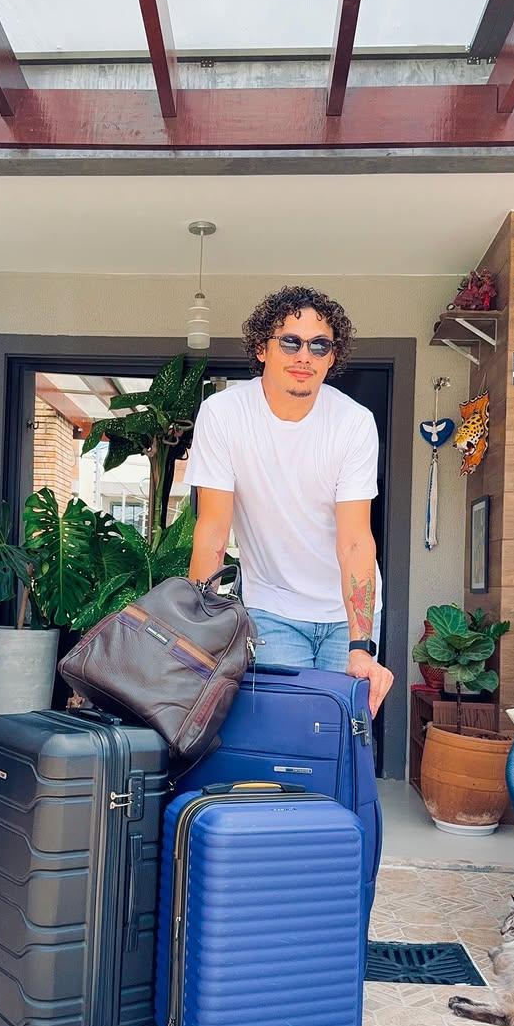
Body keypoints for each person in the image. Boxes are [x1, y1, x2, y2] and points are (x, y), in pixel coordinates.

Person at [186, 284, 394, 718]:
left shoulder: (354, 423)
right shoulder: (224, 414)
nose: (305, 356)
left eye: (320, 345)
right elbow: (213, 530)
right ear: (262, 348)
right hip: (272, 605)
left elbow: (355, 540)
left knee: (341, 733)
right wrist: (197, 632)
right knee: (286, 732)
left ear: (332, 357)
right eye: (290, 342)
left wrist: (360, 646)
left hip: (347, 613)